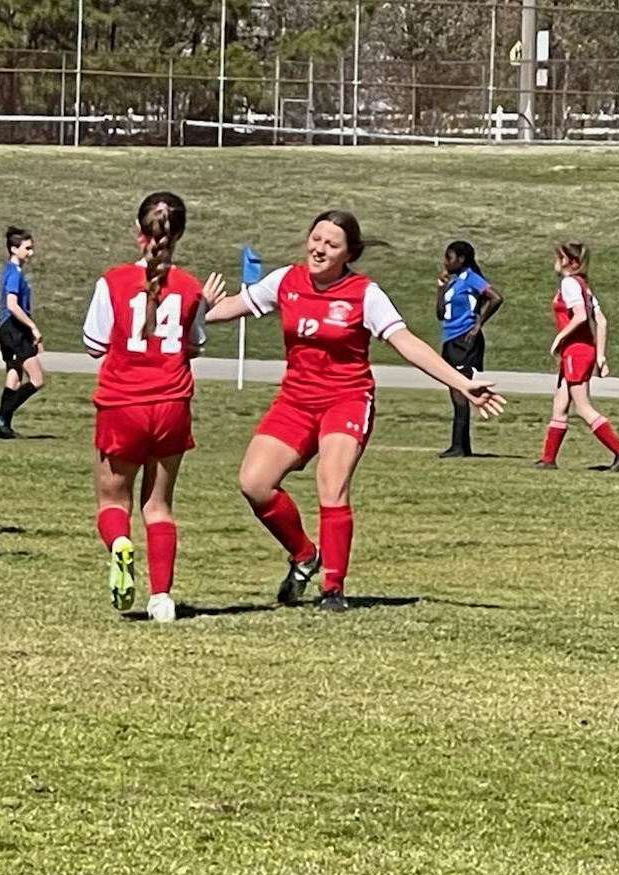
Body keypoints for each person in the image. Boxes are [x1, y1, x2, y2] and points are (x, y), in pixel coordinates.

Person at [202, 210, 505, 612]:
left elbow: (406, 342)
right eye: (316, 239)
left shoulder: (365, 293)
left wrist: (462, 382)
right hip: (295, 400)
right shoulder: (284, 281)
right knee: (254, 483)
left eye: (331, 244)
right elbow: (228, 308)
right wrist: (187, 313)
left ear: (349, 254)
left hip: (346, 399)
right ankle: (304, 554)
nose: (320, 248)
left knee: (332, 483)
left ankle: (332, 588)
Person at [83, 192, 208, 623]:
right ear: (180, 235)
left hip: (123, 403)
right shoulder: (192, 288)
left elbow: (95, 345)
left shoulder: (114, 281)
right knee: (159, 505)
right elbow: (193, 346)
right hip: (171, 402)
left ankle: (119, 544)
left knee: (112, 500)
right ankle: (162, 598)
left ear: (138, 232)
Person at [535, 241, 619, 472]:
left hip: (576, 351)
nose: (555, 262)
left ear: (570, 262)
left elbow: (580, 316)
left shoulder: (570, 283)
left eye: (558, 257)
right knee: (560, 405)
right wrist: (600, 356)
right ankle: (548, 460)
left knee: (582, 407)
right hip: (582, 350)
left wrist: (560, 338)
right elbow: (601, 320)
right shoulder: (583, 285)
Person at [435, 241, 503, 458]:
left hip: (464, 340)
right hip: (450, 339)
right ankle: (461, 446)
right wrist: (440, 287)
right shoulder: (454, 284)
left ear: (461, 259)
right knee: (454, 389)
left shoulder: (471, 278)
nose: (446, 262)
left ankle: (459, 446)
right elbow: (440, 313)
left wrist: (478, 324)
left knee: (460, 391)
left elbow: (496, 298)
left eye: (450, 257)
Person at [0, 227, 43, 438]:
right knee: (37, 379)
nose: (31, 253)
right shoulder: (13, 273)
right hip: (13, 327)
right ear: (14, 249)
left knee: (13, 374)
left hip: (7, 328)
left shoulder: (12, 271)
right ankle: (3, 413)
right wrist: (32, 326)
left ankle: (4, 429)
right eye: (27, 248)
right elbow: (12, 304)